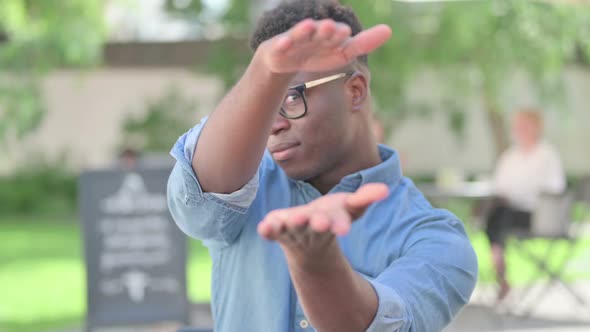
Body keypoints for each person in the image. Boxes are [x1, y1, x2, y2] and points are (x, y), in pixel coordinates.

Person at [167, 1, 477, 331]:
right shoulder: (247, 178)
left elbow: (388, 327)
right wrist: (264, 71)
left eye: (290, 98)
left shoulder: (434, 239)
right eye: (265, 103)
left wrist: (315, 260)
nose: (273, 125)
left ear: (355, 91)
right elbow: (195, 202)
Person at [486, 109, 565, 301]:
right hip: (509, 210)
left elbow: (555, 188)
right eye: (517, 125)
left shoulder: (547, 155)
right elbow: (500, 186)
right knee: (495, 213)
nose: (520, 129)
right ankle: (499, 262)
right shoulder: (509, 156)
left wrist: (524, 191)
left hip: (536, 215)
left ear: (536, 127)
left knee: (498, 216)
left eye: (524, 124)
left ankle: (499, 266)